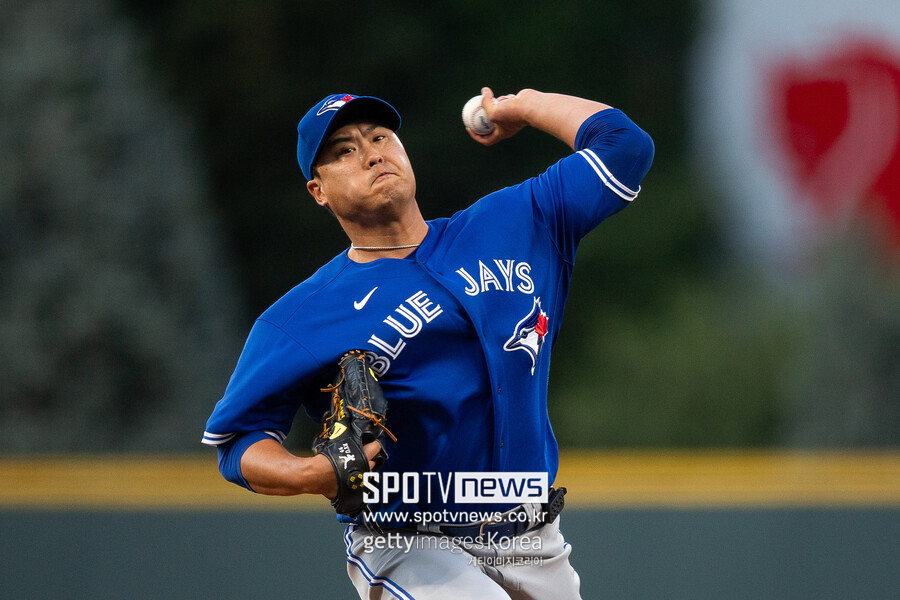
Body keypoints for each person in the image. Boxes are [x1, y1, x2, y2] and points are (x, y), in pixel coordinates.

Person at [202, 87, 654, 599]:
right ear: (318, 191)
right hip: (411, 541)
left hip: (534, 541)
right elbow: (238, 441)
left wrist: (522, 106)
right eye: (344, 151)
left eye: (380, 136)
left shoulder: (515, 223)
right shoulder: (301, 317)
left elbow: (624, 145)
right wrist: (310, 473)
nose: (372, 153)